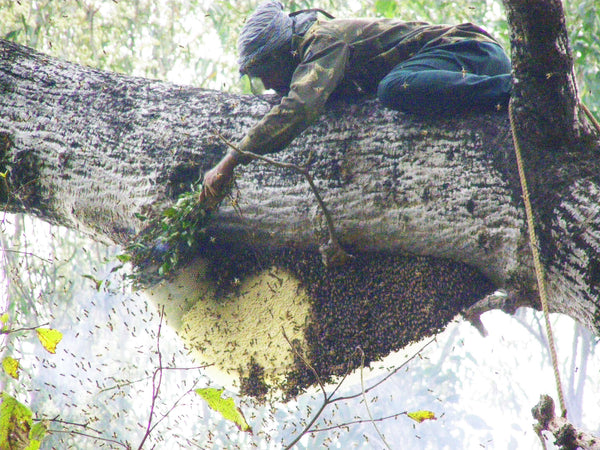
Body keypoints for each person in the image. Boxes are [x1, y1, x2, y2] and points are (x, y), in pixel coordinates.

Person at [200, 1, 511, 203]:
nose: (266, 84)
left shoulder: (322, 41)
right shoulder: (314, 52)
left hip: (470, 51)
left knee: (392, 89)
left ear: (285, 51)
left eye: (265, 72)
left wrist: (230, 160)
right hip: (458, 63)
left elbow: (299, 108)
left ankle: (512, 90)